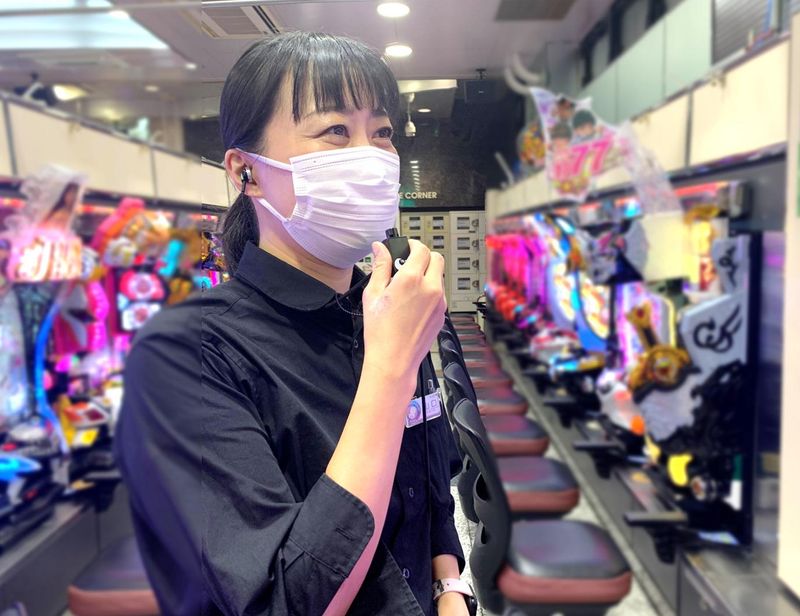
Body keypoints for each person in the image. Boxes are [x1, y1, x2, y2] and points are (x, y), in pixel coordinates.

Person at [114, 31, 471, 616]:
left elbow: (431, 487)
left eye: (382, 132)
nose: (371, 156)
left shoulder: (384, 304)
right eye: (336, 130)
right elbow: (280, 599)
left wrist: (449, 588)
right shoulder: (185, 353)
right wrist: (388, 372)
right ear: (245, 172)